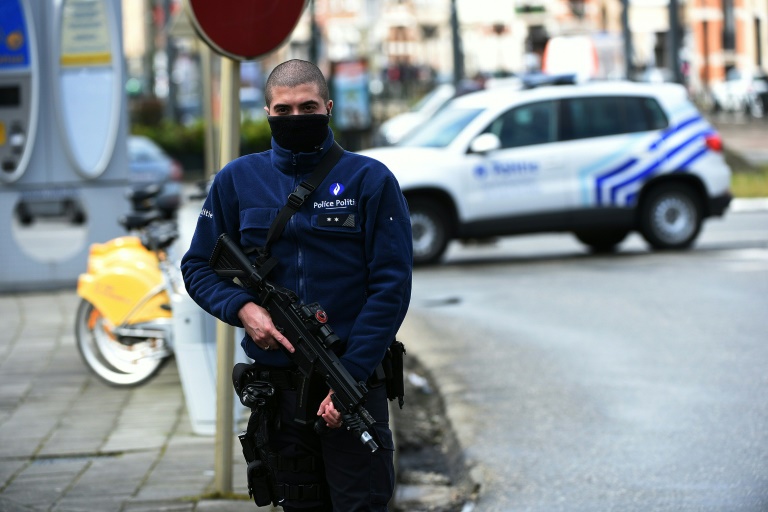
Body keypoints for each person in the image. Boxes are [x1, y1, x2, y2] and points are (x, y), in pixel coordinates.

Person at [180, 59, 413, 511]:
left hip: (352, 384)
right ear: (267, 113)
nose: (295, 117)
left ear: (327, 107)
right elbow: (197, 267)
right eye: (282, 110)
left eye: (307, 107)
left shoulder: (370, 180)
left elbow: (391, 287)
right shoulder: (236, 180)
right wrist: (243, 309)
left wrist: (352, 377)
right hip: (278, 398)